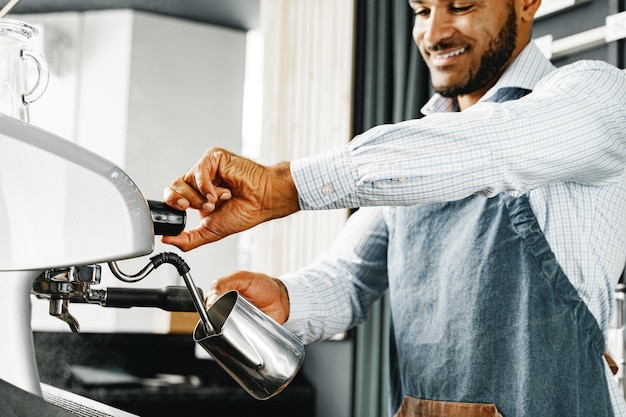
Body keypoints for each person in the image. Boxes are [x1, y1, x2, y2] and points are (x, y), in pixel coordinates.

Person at [163, 0, 626, 415]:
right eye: (422, 11)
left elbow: (491, 146)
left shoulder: (597, 95)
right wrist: (285, 297)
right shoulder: (413, 151)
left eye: (461, 6)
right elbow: (347, 279)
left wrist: (285, 185)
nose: (435, 32)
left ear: (526, 3)